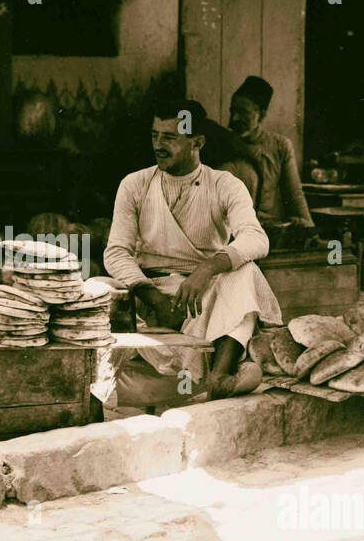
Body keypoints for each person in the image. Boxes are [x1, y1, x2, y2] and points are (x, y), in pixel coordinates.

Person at [104, 97, 281, 399]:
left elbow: (256, 237)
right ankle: (101, 385)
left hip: (203, 296)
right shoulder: (134, 184)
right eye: (155, 135)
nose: (159, 144)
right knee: (97, 287)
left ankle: (220, 376)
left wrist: (209, 267)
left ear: (196, 141)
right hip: (148, 293)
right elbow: (116, 251)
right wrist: (151, 296)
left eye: (170, 137)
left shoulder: (225, 184)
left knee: (245, 273)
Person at [228, 75, 314, 228]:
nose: (234, 118)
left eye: (243, 112)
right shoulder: (222, 143)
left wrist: (309, 230)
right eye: (232, 111)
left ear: (261, 114)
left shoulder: (280, 146)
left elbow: (295, 196)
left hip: (267, 229)